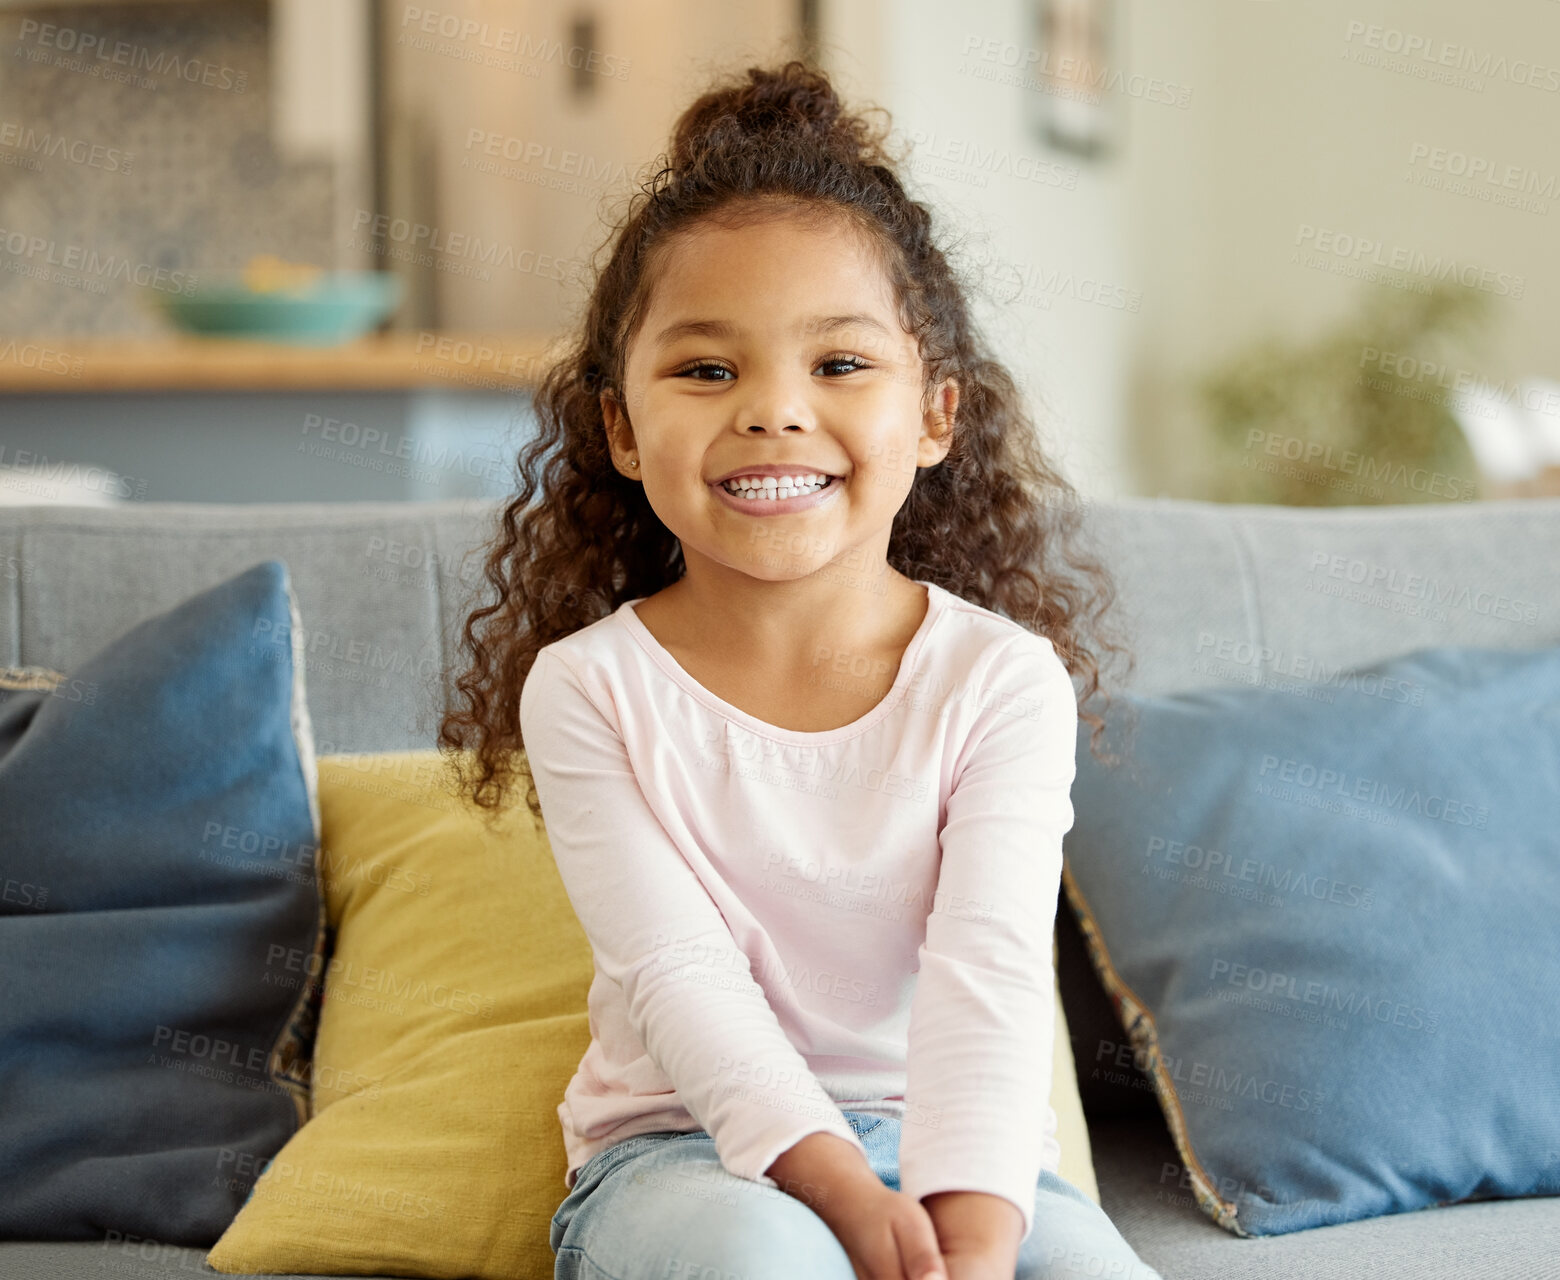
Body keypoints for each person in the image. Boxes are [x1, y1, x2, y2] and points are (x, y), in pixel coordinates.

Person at [439, 56, 1156, 1280]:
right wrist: (845, 1199)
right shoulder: (590, 687)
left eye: (839, 365)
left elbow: (987, 971)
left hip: (965, 1152)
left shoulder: (1001, 681)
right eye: (707, 369)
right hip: (683, 1153)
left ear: (936, 417)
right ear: (619, 425)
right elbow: (681, 976)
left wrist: (969, 1240)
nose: (773, 410)